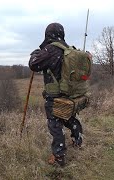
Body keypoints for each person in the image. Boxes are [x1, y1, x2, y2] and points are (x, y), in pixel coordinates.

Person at [28, 23, 83, 167]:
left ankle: (59, 156)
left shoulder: (51, 49)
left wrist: (34, 54)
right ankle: (78, 139)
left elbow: (34, 65)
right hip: (69, 93)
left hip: (55, 95)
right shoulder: (69, 49)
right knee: (69, 117)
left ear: (48, 34)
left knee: (55, 124)